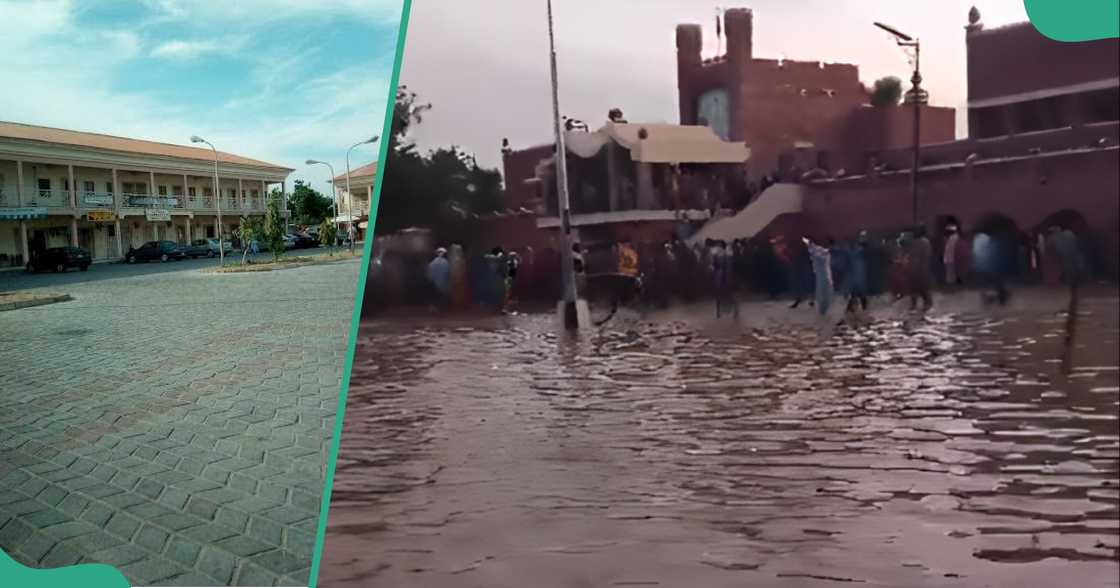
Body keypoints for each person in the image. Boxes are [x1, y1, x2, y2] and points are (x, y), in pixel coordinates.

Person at [972, 231, 1008, 305]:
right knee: (994, 285)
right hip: (989, 269)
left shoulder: (986, 243)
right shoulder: (990, 243)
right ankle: (992, 299)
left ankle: (991, 299)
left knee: (992, 285)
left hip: (988, 269)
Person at [804, 236, 833, 316]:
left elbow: (820, 255)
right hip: (821, 275)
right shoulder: (816, 251)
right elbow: (817, 255)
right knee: (822, 292)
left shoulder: (819, 251)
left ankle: (823, 308)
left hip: (824, 274)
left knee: (826, 291)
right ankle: (822, 309)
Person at [908, 226, 934, 310]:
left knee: (923, 288)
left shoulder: (924, 242)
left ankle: (927, 304)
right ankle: (915, 305)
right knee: (915, 288)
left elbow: (926, 256)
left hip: (921, 268)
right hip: (916, 268)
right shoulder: (916, 242)